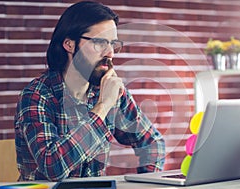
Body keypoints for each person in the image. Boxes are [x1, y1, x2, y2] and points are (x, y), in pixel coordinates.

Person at [14, 1, 165, 181]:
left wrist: (146, 184)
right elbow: (53, 167)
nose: (110, 53)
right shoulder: (36, 96)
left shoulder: (110, 90)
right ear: (69, 45)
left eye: (113, 44)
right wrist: (103, 106)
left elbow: (153, 144)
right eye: (100, 42)